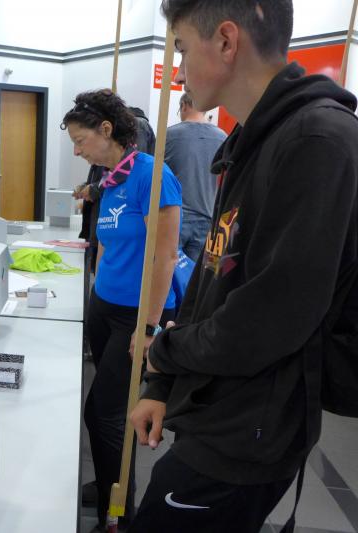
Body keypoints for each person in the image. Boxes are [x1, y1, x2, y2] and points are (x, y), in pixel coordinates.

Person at [129, 1, 358, 532]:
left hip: (250, 430)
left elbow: (269, 319)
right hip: (217, 408)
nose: (179, 72)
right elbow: (214, 275)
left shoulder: (317, 141)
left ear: (227, 41)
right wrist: (163, 383)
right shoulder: (253, 139)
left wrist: (165, 352)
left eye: (183, 49)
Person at [62, 89, 182, 529]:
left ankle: (119, 513)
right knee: (106, 412)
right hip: (104, 304)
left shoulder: (152, 175)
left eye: (81, 141)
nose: (77, 151)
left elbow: (165, 256)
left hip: (135, 315)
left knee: (104, 412)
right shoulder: (111, 178)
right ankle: (109, 482)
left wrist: (149, 326)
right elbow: (108, 242)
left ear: (106, 130)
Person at [165, 91, 227, 261]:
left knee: (166, 272)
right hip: (208, 217)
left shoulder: (168, 135)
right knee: (196, 274)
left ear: (184, 106)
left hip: (174, 217)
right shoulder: (222, 137)